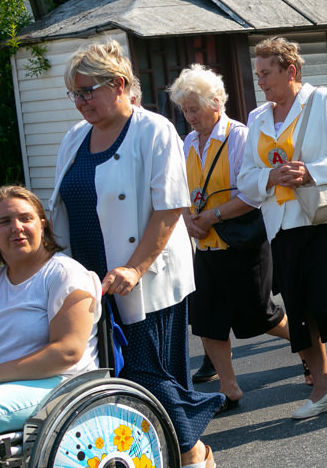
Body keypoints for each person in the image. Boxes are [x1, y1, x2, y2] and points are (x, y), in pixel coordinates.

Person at [51, 40, 220, 468]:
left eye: (88, 90)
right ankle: (153, 454)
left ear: (120, 84)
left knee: (151, 376)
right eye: (76, 93)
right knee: (110, 378)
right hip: (89, 282)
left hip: (144, 279)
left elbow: (169, 208)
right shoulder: (74, 138)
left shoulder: (153, 130)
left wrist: (134, 266)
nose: (81, 101)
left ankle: (192, 453)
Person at [237, 37, 327, 420]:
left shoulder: (323, 101)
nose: (261, 82)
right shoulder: (257, 118)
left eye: (267, 74)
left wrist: (311, 172)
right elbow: (245, 177)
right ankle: (324, 385)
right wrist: (270, 176)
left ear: (291, 71)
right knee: (298, 304)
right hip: (282, 221)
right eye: (258, 75)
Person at [167, 64, 300, 413]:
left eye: (194, 108)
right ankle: (228, 389)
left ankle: (308, 351)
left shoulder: (240, 136)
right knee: (208, 319)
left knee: (261, 316)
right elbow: (182, 191)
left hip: (243, 242)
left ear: (215, 103)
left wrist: (213, 215)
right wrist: (188, 220)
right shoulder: (188, 143)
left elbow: (254, 193)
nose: (189, 116)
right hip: (206, 244)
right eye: (184, 109)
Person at [0, 185, 100, 441]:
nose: (16, 227)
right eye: (4, 221)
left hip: (54, 382)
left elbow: (67, 351)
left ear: (42, 225)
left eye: (25, 218)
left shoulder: (65, 274)